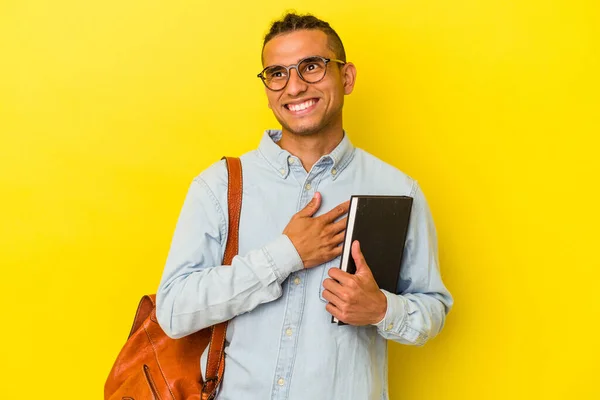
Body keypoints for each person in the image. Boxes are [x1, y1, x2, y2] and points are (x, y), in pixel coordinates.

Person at [156, 12, 453, 400]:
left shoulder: (398, 190)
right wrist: (284, 255)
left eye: (311, 67)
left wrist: (382, 309)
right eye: (277, 73)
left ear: (346, 78)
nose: (294, 86)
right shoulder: (221, 185)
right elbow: (175, 312)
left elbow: (432, 309)